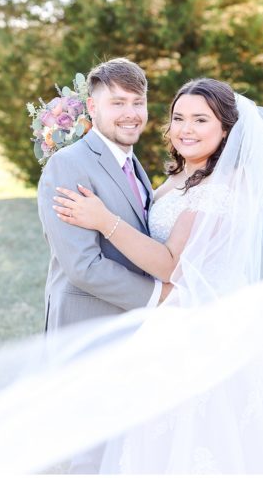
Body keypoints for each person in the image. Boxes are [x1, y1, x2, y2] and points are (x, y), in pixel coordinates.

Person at [45, 78, 263, 473]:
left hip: (200, 328)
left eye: (201, 120)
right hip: (171, 322)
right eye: (178, 117)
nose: (186, 129)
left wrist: (104, 221)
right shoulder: (180, 177)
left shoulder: (220, 189)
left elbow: (172, 264)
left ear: (226, 129)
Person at [38, 58, 170, 342]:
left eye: (138, 102)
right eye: (118, 103)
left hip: (131, 330)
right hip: (86, 326)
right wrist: (159, 296)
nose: (131, 113)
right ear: (93, 108)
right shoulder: (68, 164)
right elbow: (83, 266)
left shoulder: (131, 162)